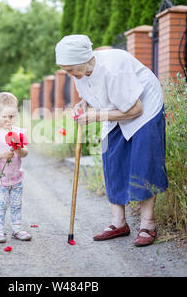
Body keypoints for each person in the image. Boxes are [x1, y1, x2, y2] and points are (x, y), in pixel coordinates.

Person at [55, 35, 168, 247]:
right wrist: (84, 104)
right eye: (66, 70)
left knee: (143, 162)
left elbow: (135, 110)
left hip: (144, 108)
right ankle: (118, 224)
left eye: (70, 69)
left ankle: (148, 224)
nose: (69, 74)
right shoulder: (81, 71)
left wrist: (96, 116)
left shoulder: (113, 69)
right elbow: (92, 89)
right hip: (115, 106)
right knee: (112, 159)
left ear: (83, 59)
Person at [0, 92, 31, 243]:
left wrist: (18, 149)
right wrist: (3, 154)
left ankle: (17, 229)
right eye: (5, 117)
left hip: (16, 177)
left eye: (12, 116)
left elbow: (25, 153)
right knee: (1, 204)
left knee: (16, 204)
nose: (9, 120)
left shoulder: (18, 133)